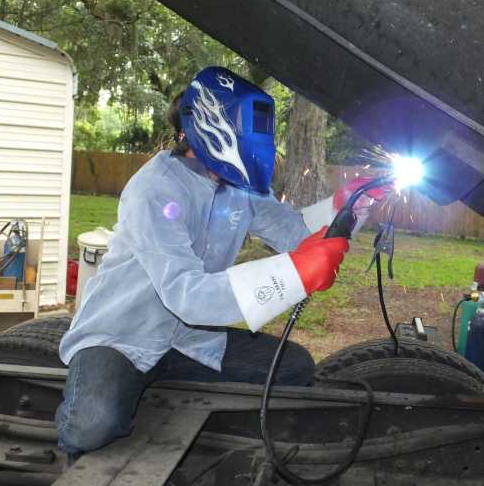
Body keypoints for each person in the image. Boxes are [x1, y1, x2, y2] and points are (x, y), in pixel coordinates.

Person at [56, 67, 388, 454]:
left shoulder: (236, 189)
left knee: (294, 368)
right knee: (93, 425)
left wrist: (349, 205)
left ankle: (173, 409)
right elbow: (186, 294)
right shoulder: (153, 189)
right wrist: (292, 275)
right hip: (124, 335)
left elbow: (298, 234)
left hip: (191, 340)